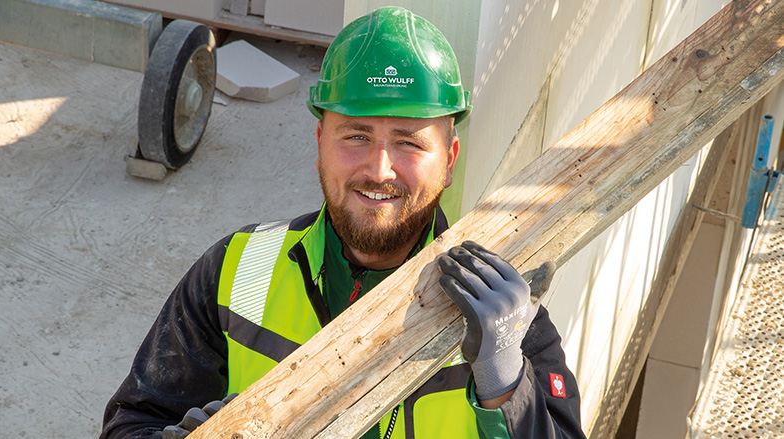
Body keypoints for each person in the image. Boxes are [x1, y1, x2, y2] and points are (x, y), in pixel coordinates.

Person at [100, 6, 585, 439]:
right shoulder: (236, 272)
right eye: (355, 134)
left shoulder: (503, 316)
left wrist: (507, 388)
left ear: (450, 158)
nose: (379, 169)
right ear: (319, 143)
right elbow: (131, 423)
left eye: (408, 141)